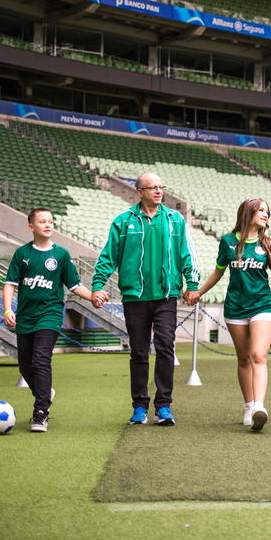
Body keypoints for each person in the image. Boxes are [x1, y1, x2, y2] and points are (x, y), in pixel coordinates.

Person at [92, 172, 200, 426]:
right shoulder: (122, 221)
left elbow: (187, 254)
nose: (158, 191)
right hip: (134, 297)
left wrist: (192, 283)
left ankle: (163, 406)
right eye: (152, 188)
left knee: (165, 347)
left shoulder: (175, 220)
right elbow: (108, 257)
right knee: (139, 352)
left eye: (161, 187)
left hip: (166, 296)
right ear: (139, 192)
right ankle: (140, 406)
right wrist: (98, 286)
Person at [195, 198, 271, 431]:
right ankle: (248, 405)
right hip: (235, 308)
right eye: (261, 210)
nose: (266, 214)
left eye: (268, 211)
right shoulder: (227, 241)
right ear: (249, 212)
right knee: (244, 358)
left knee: (258, 355)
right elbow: (217, 273)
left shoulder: (269, 244)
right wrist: (198, 292)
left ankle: (259, 406)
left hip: (262, 306)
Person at [2, 207, 95, 432]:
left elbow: (74, 285)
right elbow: (10, 284)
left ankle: (41, 412)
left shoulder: (61, 255)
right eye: (42, 221)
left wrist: (93, 296)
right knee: (25, 366)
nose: (48, 225)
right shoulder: (21, 254)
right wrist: (7, 310)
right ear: (31, 226)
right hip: (25, 317)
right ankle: (45, 393)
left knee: (40, 360)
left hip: (50, 315)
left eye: (51, 221)